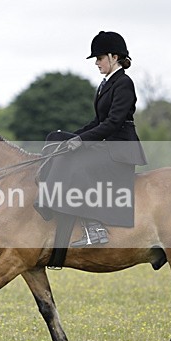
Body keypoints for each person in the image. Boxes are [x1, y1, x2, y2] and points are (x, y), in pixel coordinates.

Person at [42, 31, 147, 247]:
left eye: (99, 58)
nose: (97, 63)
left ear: (114, 57)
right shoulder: (106, 84)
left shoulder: (124, 83)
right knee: (57, 141)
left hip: (120, 150)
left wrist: (81, 142)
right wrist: (71, 137)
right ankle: (51, 202)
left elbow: (113, 123)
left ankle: (95, 228)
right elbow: (98, 122)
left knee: (77, 165)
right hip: (107, 146)